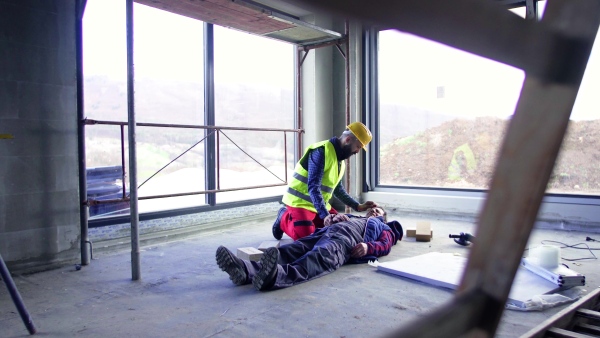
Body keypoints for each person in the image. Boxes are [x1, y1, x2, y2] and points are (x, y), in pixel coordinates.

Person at [216, 207, 403, 291]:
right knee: (291, 249)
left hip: (344, 242)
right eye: (373, 210)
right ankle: (244, 270)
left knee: (316, 259)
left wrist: (367, 246)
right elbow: (330, 218)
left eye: (378, 211)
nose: (374, 211)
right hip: (323, 233)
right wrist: (334, 219)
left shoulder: (384, 228)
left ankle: (275, 277)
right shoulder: (353, 216)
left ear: (384, 218)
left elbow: (385, 245)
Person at [272, 122, 379, 241]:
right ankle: (283, 216)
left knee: (338, 229)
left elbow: (338, 190)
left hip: (318, 205)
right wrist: (325, 216)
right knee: (307, 239)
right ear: (348, 139)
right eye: (358, 146)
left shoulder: (339, 161)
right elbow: (313, 187)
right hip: (300, 203)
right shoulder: (321, 152)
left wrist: (357, 206)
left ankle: (312, 221)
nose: (358, 151)